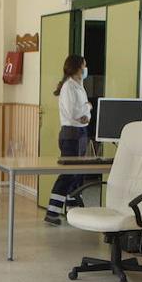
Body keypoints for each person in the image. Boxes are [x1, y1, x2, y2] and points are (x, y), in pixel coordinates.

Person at [45, 54, 93, 225]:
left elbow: (83, 115)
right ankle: (52, 211)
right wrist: (87, 107)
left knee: (77, 173)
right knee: (68, 173)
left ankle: (73, 210)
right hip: (70, 134)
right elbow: (74, 112)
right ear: (77, 68)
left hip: (81, 132)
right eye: (84, 65)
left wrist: (86, 113)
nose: (85, 69)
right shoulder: (68, 87)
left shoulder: (79, 86)